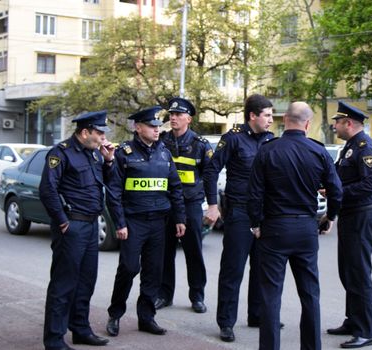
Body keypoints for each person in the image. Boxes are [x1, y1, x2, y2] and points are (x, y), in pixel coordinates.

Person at [247, 102, 343, 350]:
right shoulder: (318, 151)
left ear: (285, 120)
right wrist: (330, 217)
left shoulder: (268, 150)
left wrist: (256, 224)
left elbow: (254, 193)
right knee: (310, 294)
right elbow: (336, 190)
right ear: (308, 124)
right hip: (305, 230)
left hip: (274, 229)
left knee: (270, 297)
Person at [105, 106, 186, 337]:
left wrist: (180, 218)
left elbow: (175, 188)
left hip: (159, 222)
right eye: (152, 126)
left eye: (158, 126)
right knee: (129, 268)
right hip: (134, 222)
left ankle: (147, 317)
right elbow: (113, 192)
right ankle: (115, 314)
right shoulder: (124, 153)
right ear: (138, 127)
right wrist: (119, 223)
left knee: (153, 272)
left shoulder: (164, 153)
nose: (157, 130)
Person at [40, 110, 115, 350]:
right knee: (63, 284)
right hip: (72, 226)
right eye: (99, 132)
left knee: (86, 281)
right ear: (85, 132)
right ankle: (54, 339)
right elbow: (48, 190)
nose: (103, 137)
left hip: (91, 225)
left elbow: (106, 182)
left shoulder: (94, 155)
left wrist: (110, 160)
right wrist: (62, 221)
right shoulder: (61, 153)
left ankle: (80, 329)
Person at [203, 94, 274, 342]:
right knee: (233, 268)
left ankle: (256, 315)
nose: (271, 120)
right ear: (252, 116)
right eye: (267, 115)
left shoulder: (270, 139)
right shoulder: (232, 137)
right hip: (239, 212)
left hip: (264, 213)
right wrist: (213, 205)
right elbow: (211, 170)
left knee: (261, 267)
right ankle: (226, 322)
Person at [327, 101, 372, 349]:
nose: (334, 126)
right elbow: (338, 177)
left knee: (359, 274)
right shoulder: (349, 147)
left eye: (337, 122)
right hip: (350, 216)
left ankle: (366, 331)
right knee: (347, 271)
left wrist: (338, 192)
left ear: (348, 123)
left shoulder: (366, 147)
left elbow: (370, 186)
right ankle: (353, 320)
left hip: (361, 216)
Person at [155, 97, 213, 313]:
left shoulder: (200, 145)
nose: (173, 118)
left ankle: (197, 296)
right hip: (166, 204)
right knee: (164, 252)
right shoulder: (161, 141)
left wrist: (214, 206)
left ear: (188, 119)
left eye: (178, 115)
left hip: (190, 205)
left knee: (193, 252)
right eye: (171, 114)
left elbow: (210, 176)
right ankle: (164, 294)